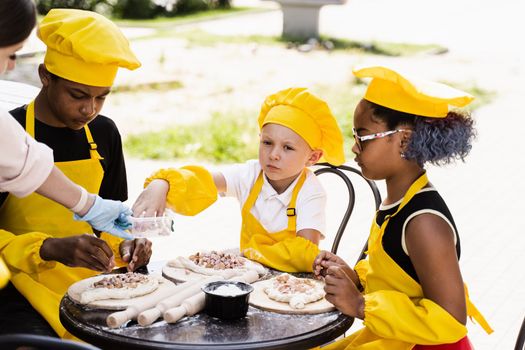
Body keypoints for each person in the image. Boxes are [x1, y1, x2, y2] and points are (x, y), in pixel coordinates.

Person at [312, 65, 493, 350]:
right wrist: (356, 279)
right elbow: (400, 281)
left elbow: (452, 319)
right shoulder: (399, 201)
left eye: (363, 136)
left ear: (404, 139)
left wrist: (361, 306)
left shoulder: (423, 222)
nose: (355, 148)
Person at [0, 8, 152, 339]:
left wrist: (126, 244)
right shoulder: (8, 132)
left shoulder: (104, 133)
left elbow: (109, 216)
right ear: (45, 75)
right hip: (19, 284)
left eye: (101, 98)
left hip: (92, 282)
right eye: (78, 95)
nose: (89, 109)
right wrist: (49, 248)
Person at [133, 87, 345, 272]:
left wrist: (250, 252)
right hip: (247, 274)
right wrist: (163, 183)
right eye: (267, 143)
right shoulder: (251, 174)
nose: (274, 154)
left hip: (290, 284)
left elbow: (305, 253)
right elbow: (204, 181)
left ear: (313, 157)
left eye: (287, 147)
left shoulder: (311, 192)